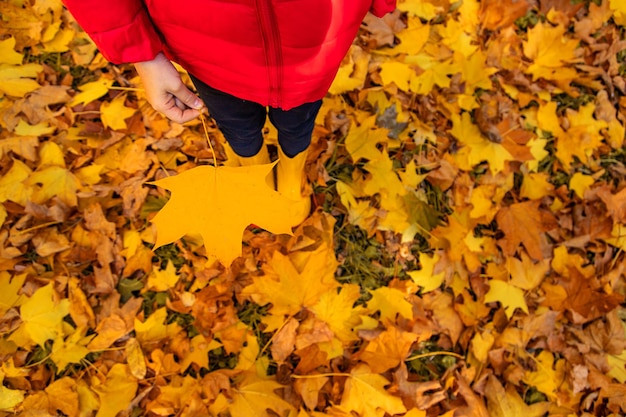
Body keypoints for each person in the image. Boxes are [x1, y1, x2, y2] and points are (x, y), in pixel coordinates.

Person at [61, 0, 397, 226]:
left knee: (298, 122)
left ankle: (291, 176)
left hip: (314, 37)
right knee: (235, 124)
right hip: (204, 39)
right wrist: (142, 54)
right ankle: (253, 174)